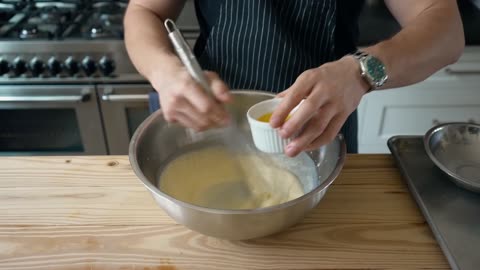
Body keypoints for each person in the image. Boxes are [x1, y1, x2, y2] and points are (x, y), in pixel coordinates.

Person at [124, 0, 464, 156]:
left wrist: (361, 72)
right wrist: (164, 71)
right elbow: (145, 11)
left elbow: (446, 30)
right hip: (211, 122)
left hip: (320, 129)